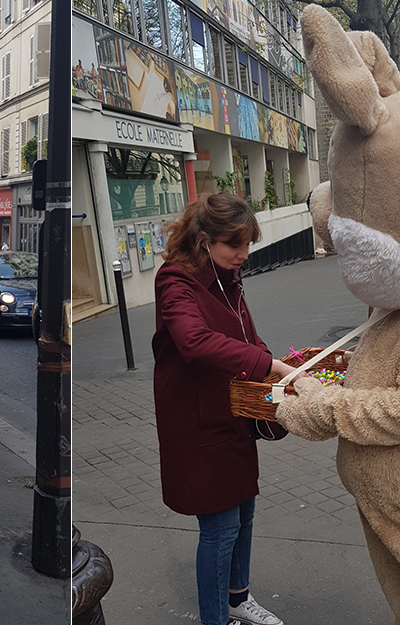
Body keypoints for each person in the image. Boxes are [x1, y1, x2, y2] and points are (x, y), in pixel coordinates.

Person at [152, 193, 290, 625]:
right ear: (205, 240)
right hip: (195, 421)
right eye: (236, 245)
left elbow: (248, 336)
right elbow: (192, 340)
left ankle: (237, 598)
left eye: (247, 244)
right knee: (220, 527)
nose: (244, 255)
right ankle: (216, 619)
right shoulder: (175, 280)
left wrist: (277, 365)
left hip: (231, 414)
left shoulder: (229, 277)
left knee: (244, 511)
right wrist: (267, 364)